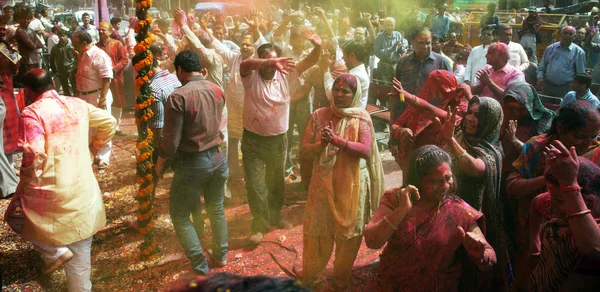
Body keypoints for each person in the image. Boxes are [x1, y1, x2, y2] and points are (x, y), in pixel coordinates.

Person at [4, 68, 115, 291]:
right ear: (53, 83)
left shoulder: (32, 113)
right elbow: (109, 122)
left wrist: (24, 181)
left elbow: (33, 153)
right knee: (81, 253)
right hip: (83, 189)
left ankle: (55, 251)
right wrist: (94, 146)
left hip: (48, 194)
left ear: (27, 91)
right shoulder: (77, 104)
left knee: (14, 217)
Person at [364, 145, 497, 291]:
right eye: (435, 181)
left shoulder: (460, 211)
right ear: (417, 180)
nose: (445, 186)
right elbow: (372, 241)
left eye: (448, 178)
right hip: (391, 285)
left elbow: (490, 254)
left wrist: (481, 256)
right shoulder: (396, 199)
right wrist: (402, 210)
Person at [300, 74, 384, 289]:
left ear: (354, 95)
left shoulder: (361, 117)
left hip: (351, 185)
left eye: (345, 91)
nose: (339, 94)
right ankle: (311, 271)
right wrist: (321, 144)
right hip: (323, 182)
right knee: (318, 228)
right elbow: (305, 148)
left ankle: (341, 276)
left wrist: (337, 141)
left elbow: (365, 150)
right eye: (336, 90)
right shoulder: (319, 115)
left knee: (348, 234)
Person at [239, 36, 321, 244]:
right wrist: (269, 62)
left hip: (278, 141)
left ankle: (275, 215)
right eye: (266, 61)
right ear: (260, 61)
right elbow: (245, 64)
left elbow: (309, 62)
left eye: (275, 61)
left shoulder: (285, 74)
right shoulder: (250, 76)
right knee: (255, 185)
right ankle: (259, 225)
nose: (271, 66)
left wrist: (318, 47)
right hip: (253, 142)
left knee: (276, 182)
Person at [154, 50, 229, 275]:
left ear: (179, 70)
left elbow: (170, 144)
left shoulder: (178, 97)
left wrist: (158, 167)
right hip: (217, 157)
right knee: (216, 208)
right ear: (199, 67)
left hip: (193, 162)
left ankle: (199, 263)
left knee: (179, 215)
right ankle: (221, 255)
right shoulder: (217, 89)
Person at [507, 101, 600, 269]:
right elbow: (512, 188)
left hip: (578, 241)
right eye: (580, 136)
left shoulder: (596, 154)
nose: (588, 143)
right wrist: (549, 178)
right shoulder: (537, 146)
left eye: (593, 136)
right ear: (561, 127)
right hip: (531, 230)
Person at [437, 96, 512, 290]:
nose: (470, 118)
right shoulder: (461, 134)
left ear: (490, 121)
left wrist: (451, 140)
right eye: (469, 112)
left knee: (467, 262)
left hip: (470, 217)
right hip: (445, 207)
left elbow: (476, 168)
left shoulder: (492, 151)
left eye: (477, 115)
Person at [527, 142, 600, 290]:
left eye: (560, 201)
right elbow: (537, 203)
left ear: (590, 203)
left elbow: (593, 249)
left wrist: (570, 184)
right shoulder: (557, 200)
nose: (551, 205)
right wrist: (534, 243)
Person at [389, 70, 470, 171]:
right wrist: (401, 131)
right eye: (436, 90)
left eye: (444, 91)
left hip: (444, 163)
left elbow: (434, 112)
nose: (440, 95)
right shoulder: (423, 101)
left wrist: (409, 97)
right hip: (417, 159)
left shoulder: (460, 108)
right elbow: (396, 125)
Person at [392, 27, 452, 122]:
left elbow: (451, 92)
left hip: (430, 116)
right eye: (421, 43)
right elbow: (396, 90)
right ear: (413, 43)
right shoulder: (403, 62)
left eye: (428, 43)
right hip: (406, 113)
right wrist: (393, 120)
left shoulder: (442, 62)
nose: (425, 46)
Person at [73, 31, 114, 169]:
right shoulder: (83, 55)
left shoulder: (99, 55)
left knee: (103, 126)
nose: (73, 46)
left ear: (84, 44)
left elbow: (106, 78)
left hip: (97, 95)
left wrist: (102, 98)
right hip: (84, 96)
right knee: (88, 127)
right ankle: (91, 155)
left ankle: (104, 157)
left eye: (75, 44)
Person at [147, 44, 181, 163]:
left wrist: (155, 149)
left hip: (166, 142)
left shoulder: (154, 88)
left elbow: (158, 125)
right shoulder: (175, 78)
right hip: (181, 135)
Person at [97, 22, 128, 136]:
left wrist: (113, 69)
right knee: (104, 101)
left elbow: (124, 60)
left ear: (110, 32)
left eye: (103, 30)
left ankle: (116, 127)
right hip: (102, 80)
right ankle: (107, 127)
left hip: (116, 78)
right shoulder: (96, 47)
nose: (100, 32)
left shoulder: (117, 44)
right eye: (99, 30)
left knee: (118, 101)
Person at [537, 26, 586, 97]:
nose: (567, 36)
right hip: (548, 86)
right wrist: (540, 77)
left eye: (570, 34)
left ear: (574, 36)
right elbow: (541, 67)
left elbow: (580, 74)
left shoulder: (579, 52)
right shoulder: (551, 48)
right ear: (561, 34)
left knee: (563, 108)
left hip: (566, 88)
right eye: (565, 33)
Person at [325, 40, 369, 108]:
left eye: (344, 55)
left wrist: (325, 69)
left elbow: (331, 94)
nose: (342, 57)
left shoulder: (356, 76)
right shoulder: (356, 71)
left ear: (352, 55)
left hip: (351, 116)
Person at [0, 21, 21, 168]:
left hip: (6, 89)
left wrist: (14, 49)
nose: (2, 31)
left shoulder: (4, 46)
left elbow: (16, 64)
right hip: (3, 90)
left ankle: (10, 166)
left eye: (3, 29)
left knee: (8, 126)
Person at [373, 17, 405, 82]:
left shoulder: (398, 34)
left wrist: (400, 48)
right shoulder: (379, 36)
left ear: (394, 26)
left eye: (392, 25)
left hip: (396, 65)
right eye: (387, 25)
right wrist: (392, 48)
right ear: (383, 26)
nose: (389, 27)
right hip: (385, 66)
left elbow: (403, 51)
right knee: (385, 86)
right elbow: (377, 53)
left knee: (396, 86)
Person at [50, 29, 77, 96]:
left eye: (63, 36)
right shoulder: (55, 48)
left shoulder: (72, 46)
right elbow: (52, 60)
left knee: (74, 86)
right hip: (61, 69)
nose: (62, 38)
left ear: (66, 36)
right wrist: (55, 71)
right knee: (65, 87)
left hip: (72, 68)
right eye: (60, 36)